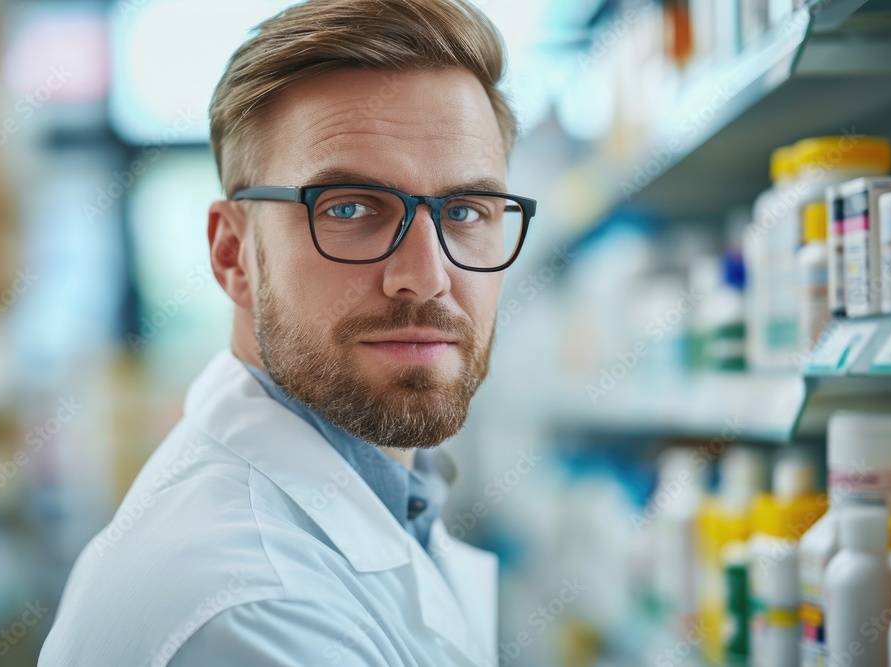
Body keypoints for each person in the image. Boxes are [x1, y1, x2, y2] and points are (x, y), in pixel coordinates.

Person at [39, 0, 535, 664]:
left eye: (467, 209)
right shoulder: (250, 611)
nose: (425, 276)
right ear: (232, 254)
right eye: (350, 208)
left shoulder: (393, 496)